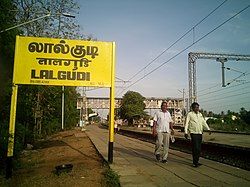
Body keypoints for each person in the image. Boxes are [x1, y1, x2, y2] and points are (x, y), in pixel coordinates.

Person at [184, 102, 211, 167]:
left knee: (199, 148)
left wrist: (208, 129)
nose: (197, 109)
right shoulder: (190, 114)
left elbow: (203, 122)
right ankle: (195, 162)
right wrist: (185, 132)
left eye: (198, 107)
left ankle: (197, 161)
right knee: (195, 147)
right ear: (193, 108)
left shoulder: (200, 114)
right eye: (195, 107)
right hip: (193, 133)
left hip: (200, 133)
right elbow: (186, 123)